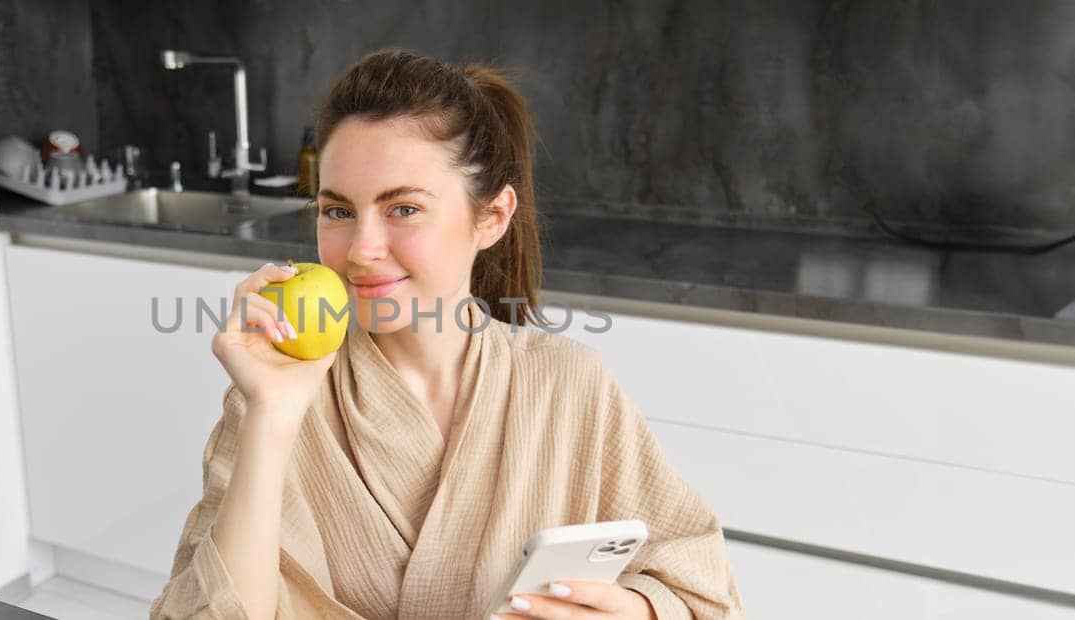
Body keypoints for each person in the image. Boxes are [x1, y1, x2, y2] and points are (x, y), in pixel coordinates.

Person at [151, 48, 743, 619]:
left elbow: (700, 587)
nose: (361, 250)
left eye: (404, 208)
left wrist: (633, 611)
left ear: (491, 217)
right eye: (337, 211)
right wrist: (271, 417)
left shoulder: (569, 384)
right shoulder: (274, 392)